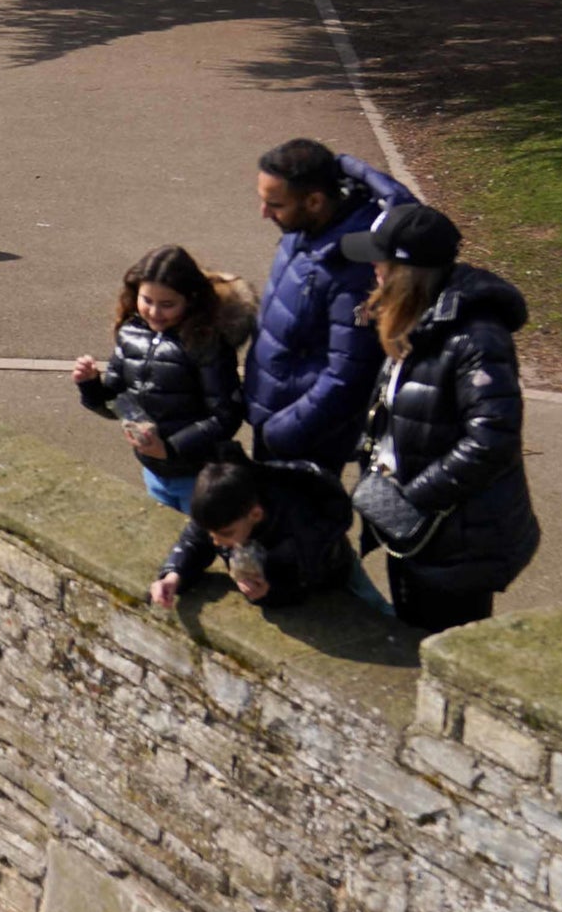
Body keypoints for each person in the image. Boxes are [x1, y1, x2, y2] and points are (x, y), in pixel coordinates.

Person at [344, 203, 542, 632]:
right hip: (417, 532)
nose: (373, 268)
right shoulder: (416, 319)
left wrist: (414, 498)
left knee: (438, 645)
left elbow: (492, 439)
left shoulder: (477, 336)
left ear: (407, 270)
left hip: (454, 543)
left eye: (381, 259)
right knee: (413, 626)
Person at [245, 137, 410, 465]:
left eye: (275, 205)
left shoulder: (358, 272)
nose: (264, 213)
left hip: (305, 437)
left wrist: (285, 431)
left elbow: (350, 370)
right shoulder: (304, 230)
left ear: (315, 201)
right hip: (276, 415)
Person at [71, 244, 248, 511]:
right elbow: (118, 403)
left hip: (200, 476)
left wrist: (171, 449)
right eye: (147, 300)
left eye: (167, 305)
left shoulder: (206, 343)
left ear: (191, 299)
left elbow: (226, 415)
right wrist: (90, 386)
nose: (154, 312)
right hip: (154, 471)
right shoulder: (131, 334)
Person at [148, 458, 366, 612]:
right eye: (210, 532)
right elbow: (194, 541)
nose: (215, 541)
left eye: (224, 533)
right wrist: (174, 575)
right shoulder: (225, 514)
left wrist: (270, 593)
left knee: (370, 606)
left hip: (330, 575)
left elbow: (303, 583)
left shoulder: (299, 530)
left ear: (256, 514)